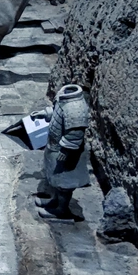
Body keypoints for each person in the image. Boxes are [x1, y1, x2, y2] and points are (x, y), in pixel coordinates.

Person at [33, 84, 90, 220]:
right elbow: (58, 113)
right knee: (57, 180)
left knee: (65, 183)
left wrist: (65, 151)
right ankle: (55, 201)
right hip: (56, 148)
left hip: (67, 154)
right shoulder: (64, 97)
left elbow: (75, 134)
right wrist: (45, 114)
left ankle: (61, 210)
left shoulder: (76, 108)